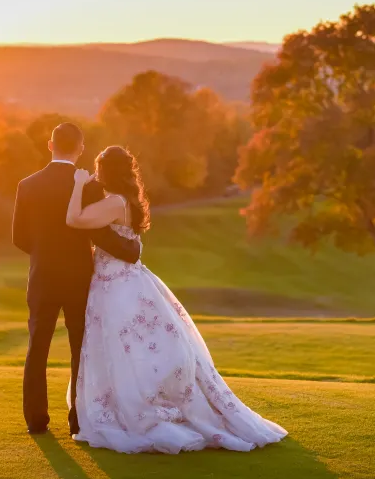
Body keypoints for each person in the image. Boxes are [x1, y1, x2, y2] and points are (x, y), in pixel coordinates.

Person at [65, 145, 287, 453]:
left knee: (119, 347)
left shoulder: (114, 202)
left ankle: (135, 409)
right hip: (127, 281)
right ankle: (141, 401)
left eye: (99, 169)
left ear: (108, 173)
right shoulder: (126, 201)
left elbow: (74, 219)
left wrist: (78, 184)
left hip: (113, 287)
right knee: (130, 348)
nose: (95, 174)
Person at [12, 123, 142, 436]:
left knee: (37, 347)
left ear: (49, 145)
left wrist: (45, 254)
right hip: (80, 277)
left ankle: (36, 421)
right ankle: (78, 420)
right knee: (80, 348)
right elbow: (99, 230)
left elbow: (19, 238)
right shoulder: (92, 187)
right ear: (80, 149)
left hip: (42, 276)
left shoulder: (27, 185)